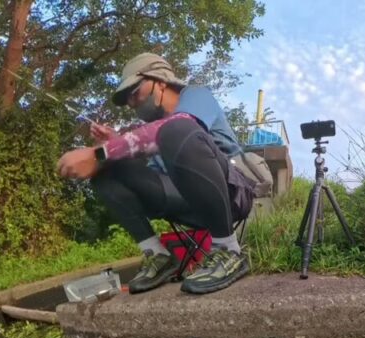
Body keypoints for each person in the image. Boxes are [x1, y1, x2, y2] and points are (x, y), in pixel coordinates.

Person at [56, 53, 253, 295]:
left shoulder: (197, 96)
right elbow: (147, 172)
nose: (131, 103)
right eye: (127, 98)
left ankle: (228, 250)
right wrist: (114, 150)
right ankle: (158, 256)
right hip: (183, 201)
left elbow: (179, 127)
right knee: (107, 171)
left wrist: (100, 153)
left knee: (175, 130)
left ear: (160, 82)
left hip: (232, 194)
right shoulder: (157, 131)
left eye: (135, 92)